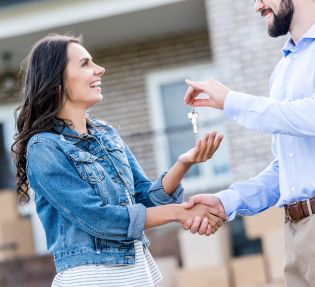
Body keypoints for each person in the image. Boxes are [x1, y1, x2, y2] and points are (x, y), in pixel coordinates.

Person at [11, 34, 227, 287]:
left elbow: (143, 200)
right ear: (56, 80)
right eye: (85, 64)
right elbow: (99, 219)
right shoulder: (44, 147)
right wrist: (178, 213)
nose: (99, 69)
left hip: (137, 274)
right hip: (92, 279)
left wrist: (183, 164)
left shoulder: (105, 134)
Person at [182, 0, 315, 286]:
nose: (257, 6)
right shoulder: (282, 71)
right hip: (295, 236)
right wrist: (226, 201)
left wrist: (232, 101)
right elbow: (286, 168)